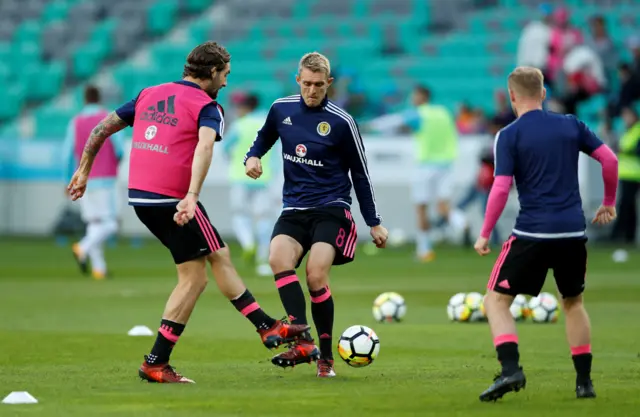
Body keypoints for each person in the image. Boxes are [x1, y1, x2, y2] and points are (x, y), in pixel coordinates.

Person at [67, 41, 310, 384]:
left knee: (203, 269)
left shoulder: (148, 93)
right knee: (202, 271)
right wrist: (192, 196)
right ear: (212, 72)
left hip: (141, 199)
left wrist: (83, 170)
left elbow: (100, 129)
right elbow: (205, 146)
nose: (226, 83)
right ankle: (256, 330)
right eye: (225, 75)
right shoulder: (208, 106)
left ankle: (262, 328)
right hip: (175, 201)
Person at [473, 67, 618, 402]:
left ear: (512, 97)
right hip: (572, 232)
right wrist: (608, 202)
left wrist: (484, 233)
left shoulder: (509, 134)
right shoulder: (571, 125)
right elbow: (608, 160)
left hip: (532, 232)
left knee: (495, 300)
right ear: (543, 93)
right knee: (573, 302)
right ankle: (584, 383)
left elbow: (500, 187)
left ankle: (511, 369)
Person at [244, 52, 388, 378]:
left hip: (331, 209)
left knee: (315, 275)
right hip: (294, 208)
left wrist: (374, 222)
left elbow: (361, 175)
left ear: (329, 84)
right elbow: (264, 137)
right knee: (278, 259)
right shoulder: (281, 109)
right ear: (298, 80)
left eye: (319, 85)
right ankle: (303, 340)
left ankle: (326, 358)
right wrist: (252, 157)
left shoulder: (342, 122)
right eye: (307, 84)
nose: (312, 91)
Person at [365, 85, 463, 261]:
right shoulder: (443, 112)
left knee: (421, 207)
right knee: (443, 206)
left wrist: (369, 125)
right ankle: (461, 223)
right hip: (446, 164)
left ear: (421, 96)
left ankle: (424, 250)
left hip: (426, 165)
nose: (412, 98)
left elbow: (394, 121)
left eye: (414, 95)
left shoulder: (419, 113)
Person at [62, 85, 125, 280]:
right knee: (111, 223)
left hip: (83, 179)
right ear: (100, 98)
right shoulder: (108, 118)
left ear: (85, 99)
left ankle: (99, 268)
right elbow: (119, 149)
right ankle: (83, 246)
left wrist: (68, 181)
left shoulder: (75, 122)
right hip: (106, 179)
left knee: (94, 223)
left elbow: (67, 154)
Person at [222, 92, 281, 276]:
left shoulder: (239, 125)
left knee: (240, 214)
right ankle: (263, 259)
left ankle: (248, 243)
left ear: (245, 107)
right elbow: (277, 154)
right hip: (264, 178)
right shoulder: (269, 124)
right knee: (264, 218)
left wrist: (233, 161)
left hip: (241, 177)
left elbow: (224, 149)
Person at [611, 106, 640, 244]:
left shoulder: (637, 130)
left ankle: (621, 234)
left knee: (626, 205)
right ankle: (627, 235)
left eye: (627, 115)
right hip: (626, 174)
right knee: (627, 205)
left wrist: (624, 151)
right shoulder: (628, 131)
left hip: (634, 174)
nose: (625, 119)